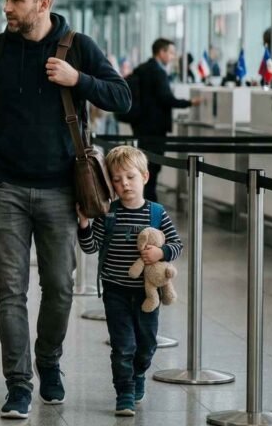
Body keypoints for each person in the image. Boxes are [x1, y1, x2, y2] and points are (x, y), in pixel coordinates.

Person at [0, 0, 130, 419]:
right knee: (10, 290)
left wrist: (77, 80)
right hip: (5, 185)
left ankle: (48, 361)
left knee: (60, 288)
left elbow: (122, 97)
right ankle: (18, 383)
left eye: (16, 1)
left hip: (60, 191)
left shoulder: (78, 48)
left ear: (43, 4)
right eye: (6, 0)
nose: (7, 8)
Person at [77, 146, 183, 416]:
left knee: (146, 343)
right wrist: (84, 225)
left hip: (149, 293)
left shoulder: (157, 213)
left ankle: (139, 375)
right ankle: (124, 391)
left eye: (130, 177)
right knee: (122, 344)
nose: (124, 184)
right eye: (116, 179)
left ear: (145, 177)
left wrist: (161, 252)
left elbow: (177, 244)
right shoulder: (108, 214)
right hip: (116, 292)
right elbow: (91, 248)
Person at [130, 38, 204, 202]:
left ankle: (141, 199)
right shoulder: (158, 72)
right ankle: (149, 201)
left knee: (143, 164)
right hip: (155, 128)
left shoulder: (141, 69)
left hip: (140, 125)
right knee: (153, 167)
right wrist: (190, 102)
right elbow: (167, 99)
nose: (172, 56)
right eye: (171, 52)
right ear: (161, 52)